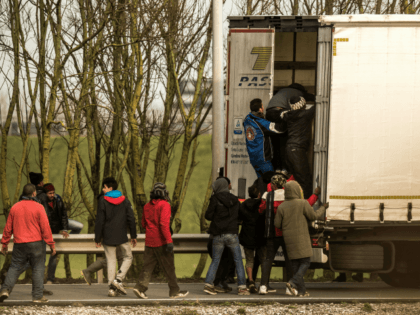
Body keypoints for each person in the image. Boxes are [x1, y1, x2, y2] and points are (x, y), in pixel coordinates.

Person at [258, 174, 320, 295]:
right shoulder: (289, 197)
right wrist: (315, 195)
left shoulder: (267, 196)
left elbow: (261, 210)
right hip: (287, 235)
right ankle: (290, 287)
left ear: (274, 185)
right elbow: (307, 204)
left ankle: (263, 286)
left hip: (272, 233)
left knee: (268, 259)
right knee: (290, 262)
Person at [0, 184, 56, 303]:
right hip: (36, 243)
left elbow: (8, 228)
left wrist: (4, 244)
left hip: (19, 244)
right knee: (38, 267)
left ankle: (5, 290)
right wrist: (51, 244)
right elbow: (45, 228)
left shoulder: (15, 207)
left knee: (14, 267)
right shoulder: (39, 207)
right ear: (34, 193)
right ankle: (37, 296)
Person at [134, 183, 188, 299]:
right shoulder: (165, 205)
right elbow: (164, 224)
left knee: (147, 266)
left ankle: (140, 288)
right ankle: (174, 291)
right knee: (169, 267)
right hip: (162, 241)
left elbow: (143, 224)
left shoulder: (146, 206)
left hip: (149, 241)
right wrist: (169, 241)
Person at [274, 180, 328, 297]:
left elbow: (277, 224)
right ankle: (293, 282)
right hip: (302, 237)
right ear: (296, 191)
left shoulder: (281, 207)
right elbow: (314, 216)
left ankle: (302, 291)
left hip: (288, 239)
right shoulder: (302, 203)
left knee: (295, 265)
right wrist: (323, 208)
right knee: (305, 262)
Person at [203, 178, 249, 296]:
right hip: (232, 234)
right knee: (238, 261)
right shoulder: (235, 199)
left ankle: (209, 284)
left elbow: (208, 216)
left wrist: (217, 217)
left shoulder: (215, 199)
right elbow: (242, 214)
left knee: (215, 261)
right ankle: (242, 287)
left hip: (218, 234)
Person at [94, 177, 137, 297]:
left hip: (107, 236)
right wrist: (133, 235)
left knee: (111, 260)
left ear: (110, 188)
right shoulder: (125, 201)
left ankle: (112, 288)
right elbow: (131, 219)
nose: (103, 189)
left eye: (104, 187)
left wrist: (98, 238)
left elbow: (100, 220)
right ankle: (118, 280)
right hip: (122, 235)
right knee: (128, 257)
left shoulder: (102, 201)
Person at [266, 84, 315, 172]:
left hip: (269, 112)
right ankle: (284, 168)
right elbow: (311, 97)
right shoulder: (299, 93)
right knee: (284, 140)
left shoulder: (283, 90)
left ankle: (277, 167)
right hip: (280, 111)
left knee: (275, 141)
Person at [41, 183, 84, 284]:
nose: (52, 195)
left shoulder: (58, 199)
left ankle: (65, 243)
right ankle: (48, 279)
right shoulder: (42, 201)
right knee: (50, 255)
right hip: (48, 229)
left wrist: (64, 228)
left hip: (60, 224)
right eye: (50, 193)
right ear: (45, 193)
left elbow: (64, 215)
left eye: (53, 192)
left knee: (79, 226)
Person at [283, 96, 317, 199]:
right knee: (304, 179)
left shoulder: (288, 115)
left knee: (295, 178)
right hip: (297, 150)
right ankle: (305, 204)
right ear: (302, 104)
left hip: (289, 149)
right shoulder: (304, 115)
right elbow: (317, 106)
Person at [243, 98, 287, 177]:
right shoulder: (262, 123)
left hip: (253, 158)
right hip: (263, 160)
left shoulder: (247, 120)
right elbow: (280, 129)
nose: (263, 108)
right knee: (270, 183)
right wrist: (284, 116)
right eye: (262, 106)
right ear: (260, 109)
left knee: (261, 183)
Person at [239, 183, 264, 294]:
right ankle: (264, 283)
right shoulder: (261, 204)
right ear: (259, 194)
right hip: (260, 235)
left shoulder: (243, 205)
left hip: (247, 235)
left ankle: (250, 281)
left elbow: (239, 219)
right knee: (263, 259)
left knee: (249, 259)